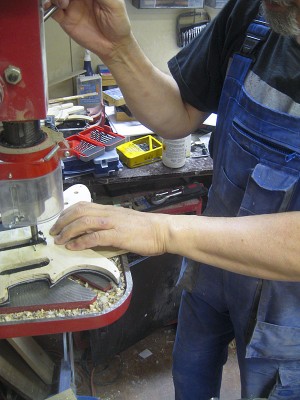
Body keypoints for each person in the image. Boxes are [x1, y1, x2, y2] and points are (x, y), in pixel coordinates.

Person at [48, 0, 300, 398]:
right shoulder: (258, 12)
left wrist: (161, 229)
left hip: (290, 314)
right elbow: (179, 114)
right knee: (191, 376)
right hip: (214, 266)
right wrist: (117, 49)